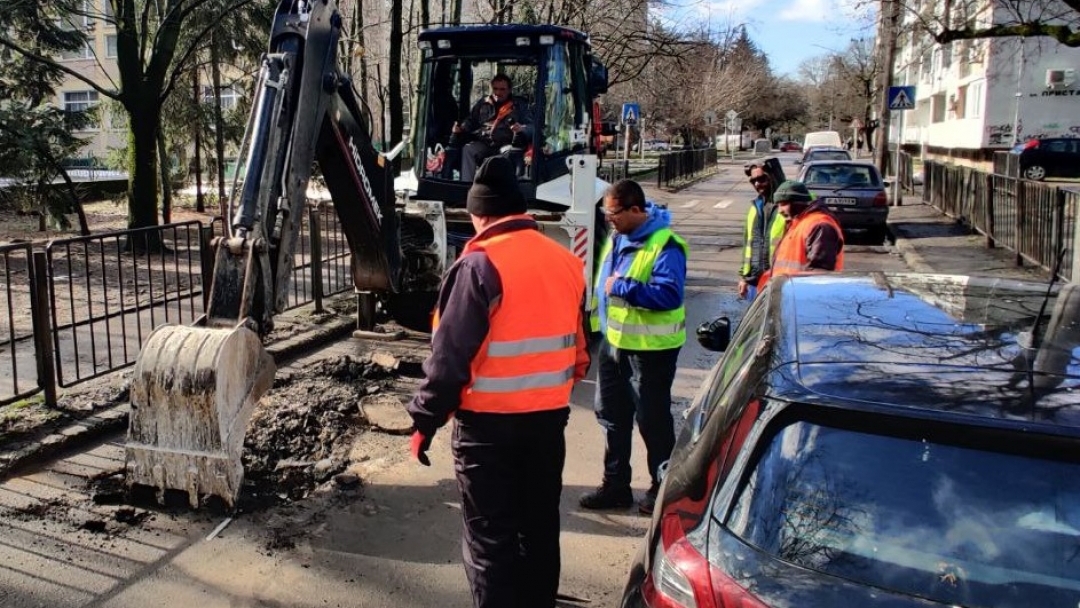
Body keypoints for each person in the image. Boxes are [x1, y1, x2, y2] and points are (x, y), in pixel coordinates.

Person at [407, 155, 590, 608]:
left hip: (487, 432)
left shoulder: (478, 266)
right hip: (548, 423)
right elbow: (581, 354)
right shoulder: (566, 261)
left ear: (480, 214)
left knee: (491, 539)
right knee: (539, 529)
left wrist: (424, 420)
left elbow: (449, 359)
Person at [580, 179, 688, 516]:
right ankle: (616, 486)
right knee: (612, 416)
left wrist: (623, 286)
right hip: (615, 345)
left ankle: (662, 487)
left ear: (636, 210)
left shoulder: (666, 244)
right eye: (606, 213)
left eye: (614, 213)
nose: (609, 219)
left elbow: (670, 294)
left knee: (652, 420)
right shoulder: (618, 236)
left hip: (651, 350)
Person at [759, 180, 844, 287]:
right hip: (790, 293)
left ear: (798, 202)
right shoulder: (798, 223)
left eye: (784, 204)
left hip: (803, 297)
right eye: (778, 205)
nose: (780, 210)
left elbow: (819, 274)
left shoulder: (820, 226)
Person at [453, 74, 532, 182]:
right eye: (495, 89)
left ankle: (501, 191)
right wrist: (461, 128)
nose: (498, 93)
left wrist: (521, 129)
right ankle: (466, 187)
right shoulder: (483, 103)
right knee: (468, 149)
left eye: (502, 89)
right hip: (485, 142)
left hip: (507, 143)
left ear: (509, 90)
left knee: (509, 154)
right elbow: (471, 121)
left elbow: (531, 126)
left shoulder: (519, 105)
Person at [738, 164, 786, 300]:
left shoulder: (786, 207)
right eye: (753, 181)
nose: (758, 184)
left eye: (762, 179)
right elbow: (748, 244)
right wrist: (743, 277)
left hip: (778, 281)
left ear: (773, 177)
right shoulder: (755, 207)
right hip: (754, 282)